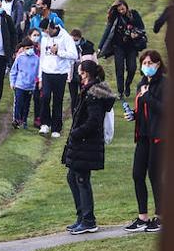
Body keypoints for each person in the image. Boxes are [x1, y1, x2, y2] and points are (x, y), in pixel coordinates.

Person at [62, 60, 116, 234]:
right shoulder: (88, 91)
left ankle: (88, 220)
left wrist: (77, 133)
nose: (79, 74)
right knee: (73, 177)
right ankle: (82, 217)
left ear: (85, 73)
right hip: (83, 144)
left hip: (86, 143)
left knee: (81, 179)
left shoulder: (93, 94)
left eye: (80, 71)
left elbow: (94, 121)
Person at [127, 50, 164, 232]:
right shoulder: (141, 84)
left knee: (155, 175)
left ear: (158, 64)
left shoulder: (164, 84)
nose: (146, 66)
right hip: (143, 135)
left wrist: (147, 96)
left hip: (158, 136)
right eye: (144, 63)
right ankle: (143, 217)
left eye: (150, 63)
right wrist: (133, 115)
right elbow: (143, 110)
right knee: (137, 174)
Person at [99, 0, 148, 100]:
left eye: (122, 9)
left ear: (126, 6)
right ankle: (120, 91)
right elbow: (107, 32)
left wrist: (136, 34)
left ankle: (128, 85)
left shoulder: (134, 14)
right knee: (119, 69)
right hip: (118, 46)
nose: (121, 11)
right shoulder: (115, 18)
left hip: (131, 46)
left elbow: (142, 27)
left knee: (132, 68)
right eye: (119, 10)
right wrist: (100, 47)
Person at [39, 19, 79, 138]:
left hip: (60, 73)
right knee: (45, 97)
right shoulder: (45, 38)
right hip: (46, 71)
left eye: (46, 30)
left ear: (52, 28)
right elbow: (42, 57)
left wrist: (59, 52)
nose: (45, 33)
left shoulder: (65, 37)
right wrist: (39, 76)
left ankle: (56, 127)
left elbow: (74, 55)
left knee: (58, 100)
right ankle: (45, 123)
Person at [9, 37, 41, 129]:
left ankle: (24, 120)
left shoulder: (36, 59)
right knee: (18, 103)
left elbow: (38, 72)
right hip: (20, 85)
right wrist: (12, 82)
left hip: (30, 86)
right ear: (23, 48)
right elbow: (14, 71)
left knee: (27, 105)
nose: (29, 50)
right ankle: (16, 119)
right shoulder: (20, 58)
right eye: (27, 48)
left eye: (31, 48)